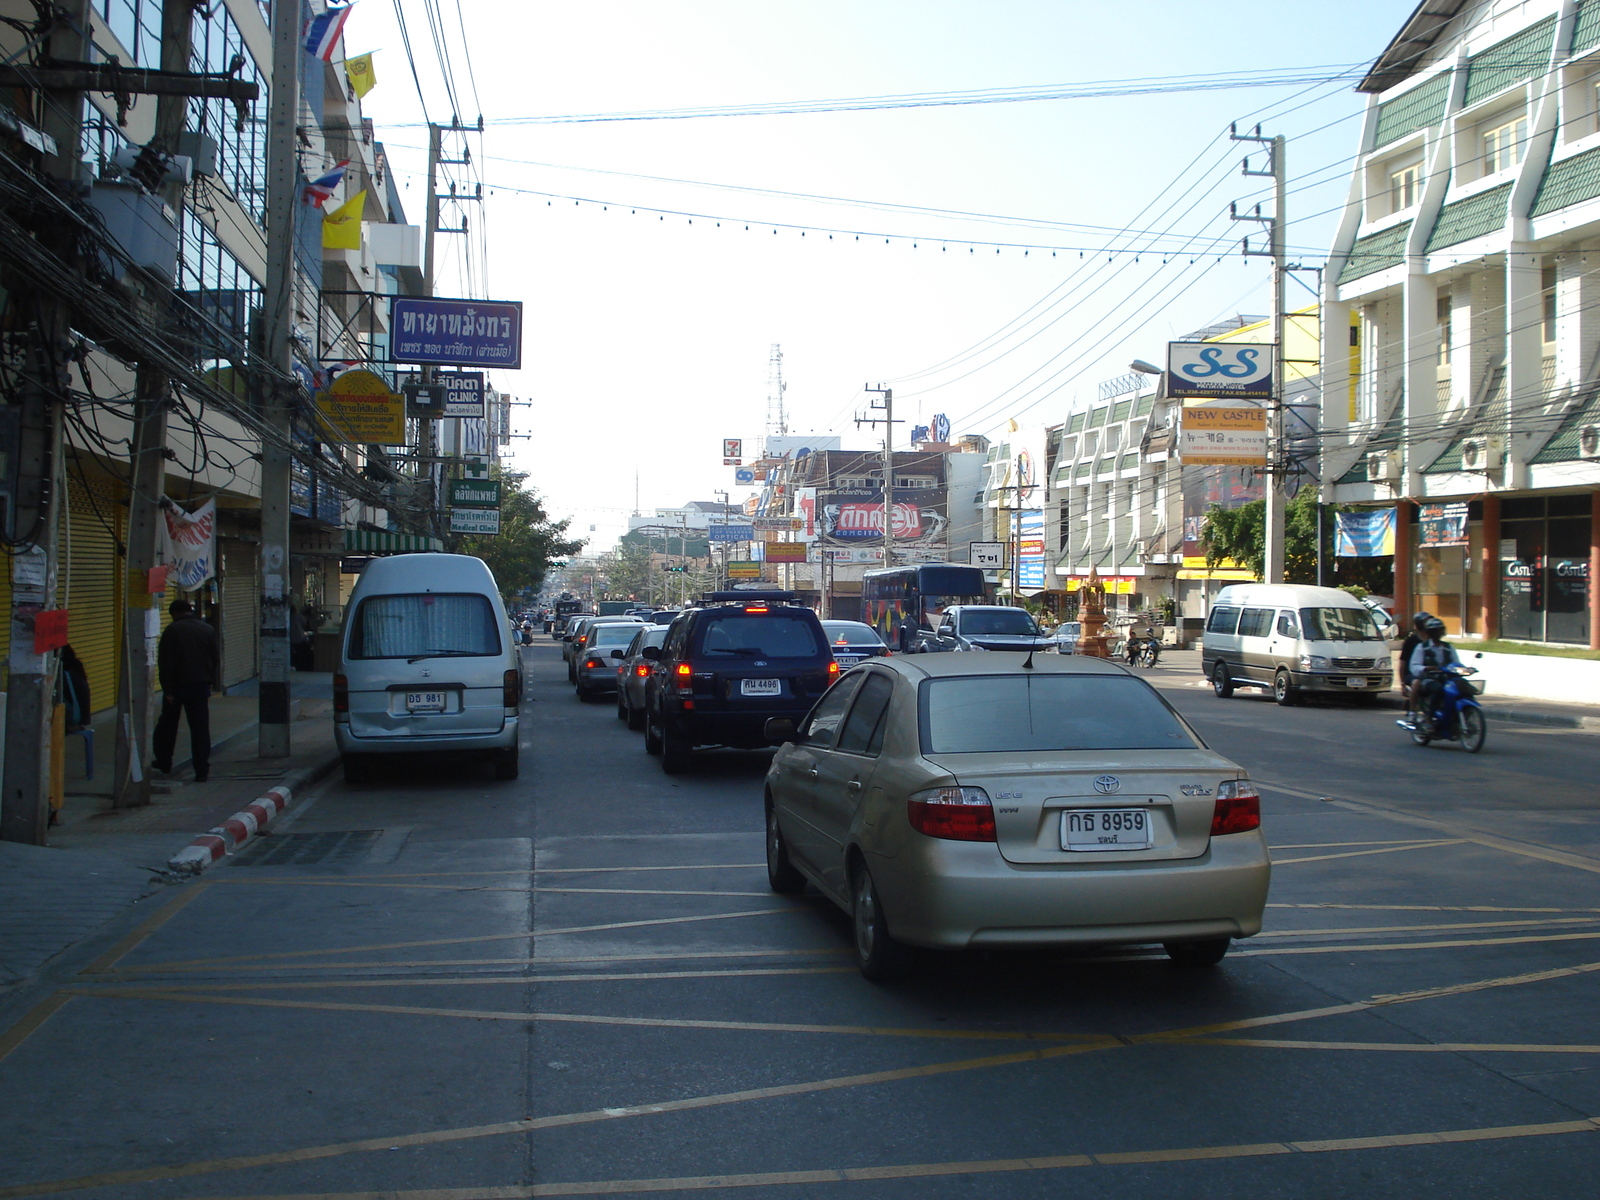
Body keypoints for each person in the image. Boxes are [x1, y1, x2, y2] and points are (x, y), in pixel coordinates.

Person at [152, 598, 219, 782]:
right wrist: (210, 681)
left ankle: (164, 761)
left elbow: (166, 663)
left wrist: (168, 690)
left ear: (174, 613)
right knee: (200, 729)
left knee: (167, 725)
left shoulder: (172, 630)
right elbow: (215, 658)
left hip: (177, 686)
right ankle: (202, 770)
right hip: (200, 685)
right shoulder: (208, 629)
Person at [1408, 617, 1460, 728]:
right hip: (1428, 679)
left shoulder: (1448, 647)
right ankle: (1429, 717)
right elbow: (1414, 667)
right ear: (1430, 633)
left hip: (1446, 678)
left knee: (1462, 687)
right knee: (1437, 689)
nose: (1438, 633)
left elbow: (1456, 663)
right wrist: (1426, 668)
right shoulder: (1422, 647)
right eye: (1435, 631)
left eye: (1440, 630)